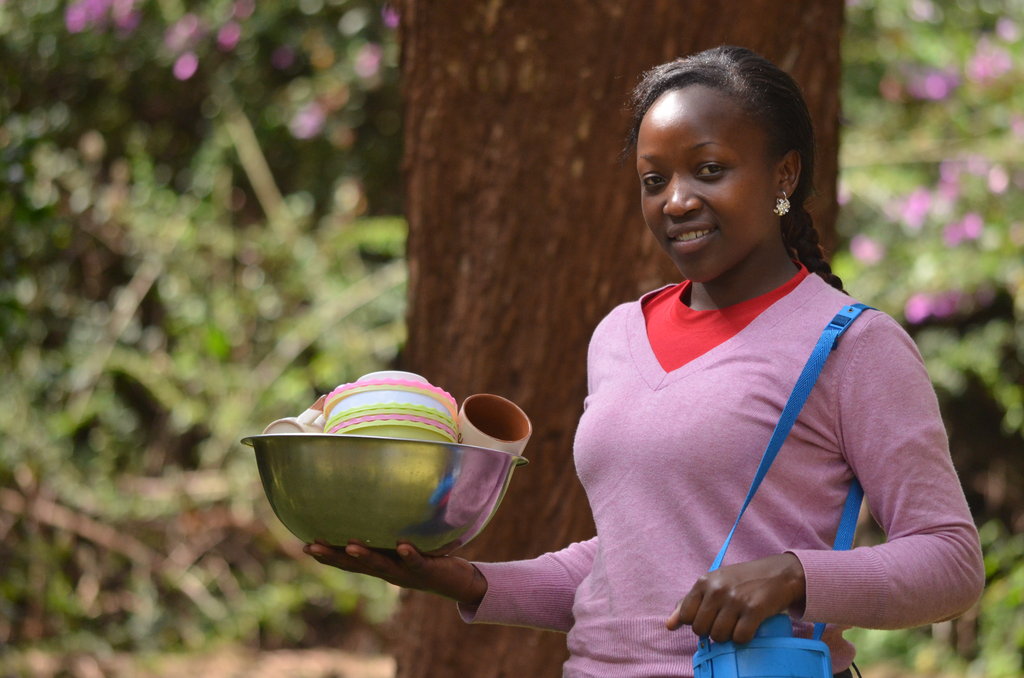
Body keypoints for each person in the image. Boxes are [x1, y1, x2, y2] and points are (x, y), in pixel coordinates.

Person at [305, 45, 985, 677]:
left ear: (784, 175)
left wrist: (794, 575)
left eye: (709, 169)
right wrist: (473, 580)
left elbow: (951, 561)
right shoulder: (619, 336)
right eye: (654, 179)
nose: (677, 200)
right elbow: (631, 564)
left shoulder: (854, 345)